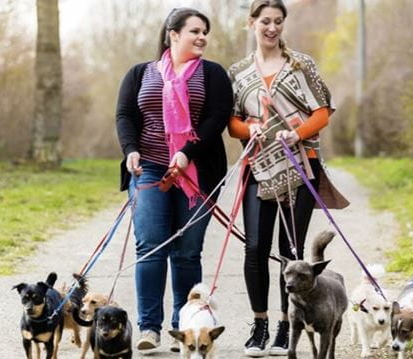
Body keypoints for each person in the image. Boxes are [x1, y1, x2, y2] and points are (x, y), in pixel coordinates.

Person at [227, 0, 349, 356]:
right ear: (252, 23)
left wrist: (296, 134)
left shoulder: (301, 64)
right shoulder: (238, 72)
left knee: (289, 252)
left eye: (278, 21)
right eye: (265, 21)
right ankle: (260, 325)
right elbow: (232, 121)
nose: (272, 28)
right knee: (255, 248)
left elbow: (323, 110)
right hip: (259, 167)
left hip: (300, 164)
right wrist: (250, 128)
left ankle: (286, 325)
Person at [115, 7, 233, 354]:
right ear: (173, 34)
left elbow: (217, 118)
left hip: (196, 171)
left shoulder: (212, 74)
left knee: (186, 252)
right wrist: (130, 149)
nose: (202, 38)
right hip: (149, 168)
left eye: (204, 32)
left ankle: (186, 327)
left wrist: (186, 153)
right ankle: (150, 327)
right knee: (150, 245)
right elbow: (124, 115)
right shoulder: (141, 73)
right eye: (195, 31)